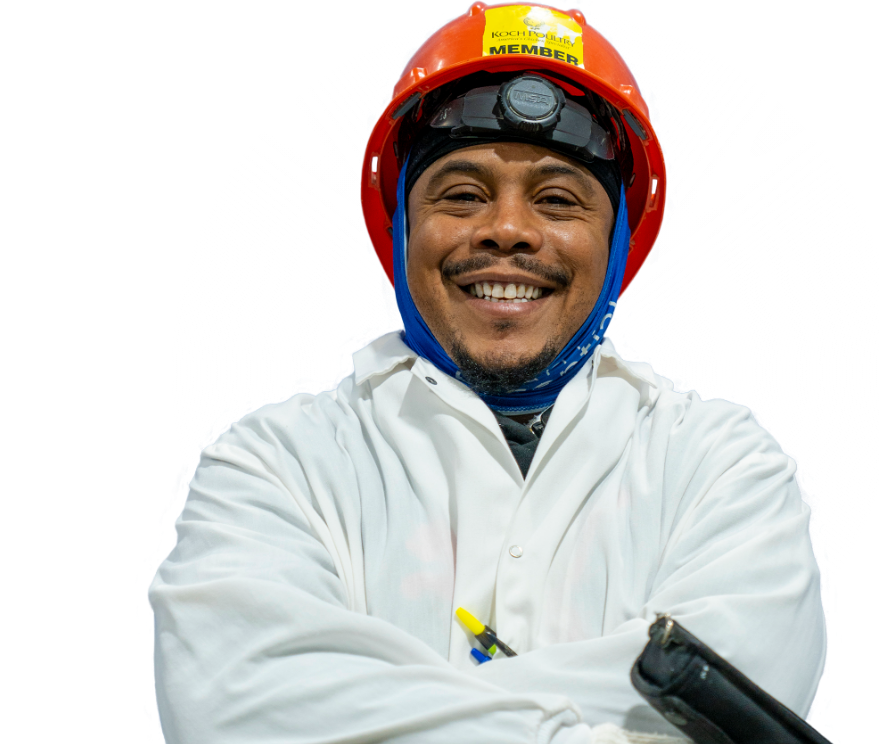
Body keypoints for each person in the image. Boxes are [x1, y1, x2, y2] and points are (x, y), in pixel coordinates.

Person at [148, 2, 827, 742]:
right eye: (463, 194)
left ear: (618, 244)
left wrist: (381, 705)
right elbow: (232, 710)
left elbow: (742, 710)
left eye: (558, 199)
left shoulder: (726, 469)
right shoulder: (272, 468)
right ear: (400, 228)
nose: (507, 229)